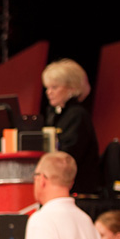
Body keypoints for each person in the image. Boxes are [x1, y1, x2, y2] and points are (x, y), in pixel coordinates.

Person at [43, 59, 102, 196]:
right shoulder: (54, 116)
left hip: (79, 190)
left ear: (72, 88)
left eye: (54, 87)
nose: (49, 92)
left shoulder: (77, 115)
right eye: (47, 88)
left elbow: (68, 155)